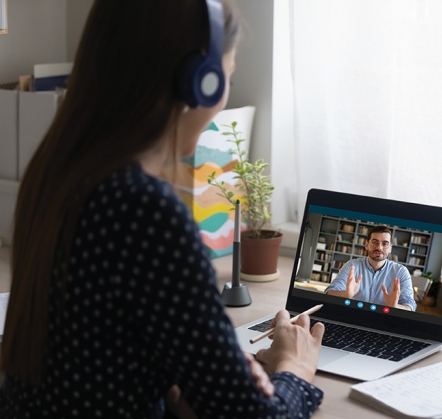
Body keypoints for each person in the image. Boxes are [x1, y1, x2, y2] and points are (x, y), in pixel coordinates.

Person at [0, 1, 325, 418]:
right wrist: (295, 368)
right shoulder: (146, 210)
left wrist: (200, 375)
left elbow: (102, 349)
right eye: (226, 74)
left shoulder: (56, 174)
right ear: (199, 83)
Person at [325, 226, 417, 311]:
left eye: (385, 244)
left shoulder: (401, 272)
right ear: (367, 245)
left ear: (390, 249)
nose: (379, 248)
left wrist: (395, 306)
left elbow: (410, 305)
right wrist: (346, 294)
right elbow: (329, 292)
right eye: (374, 242)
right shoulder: (352, 266)